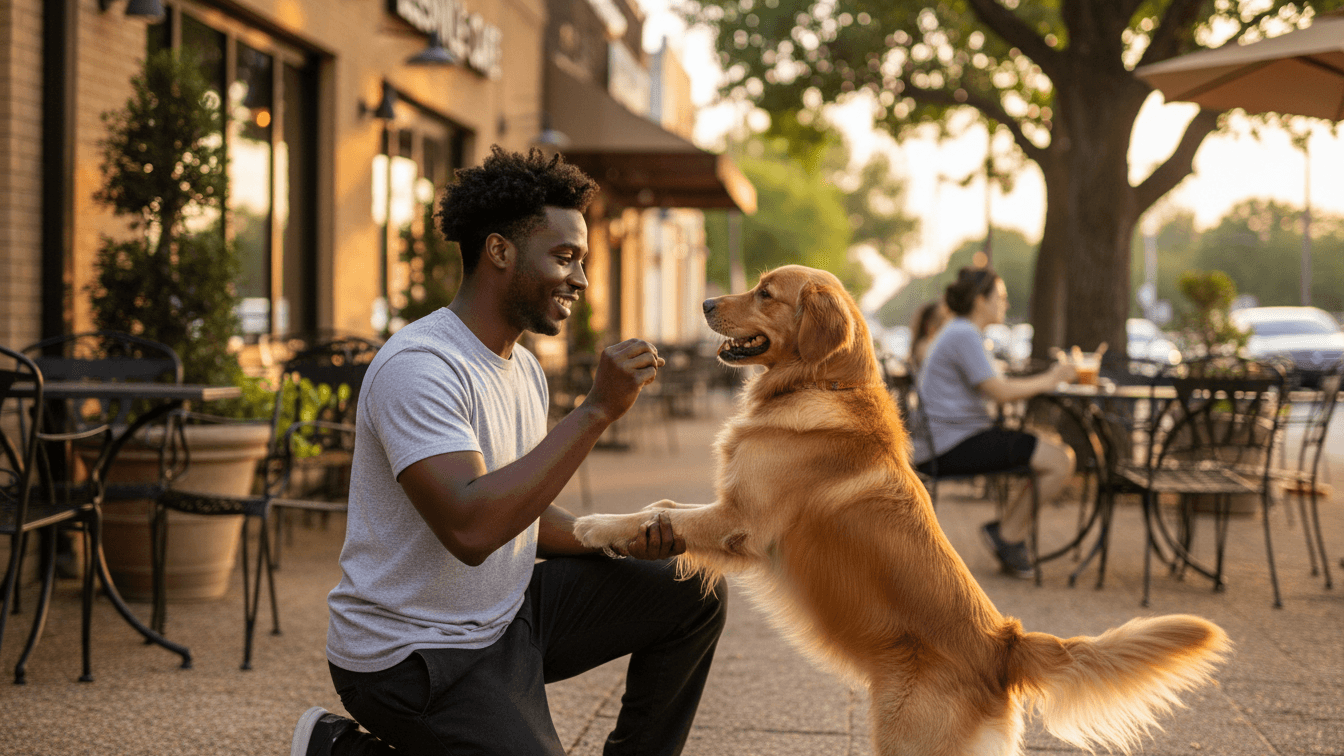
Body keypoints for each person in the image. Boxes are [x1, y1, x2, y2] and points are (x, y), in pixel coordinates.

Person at [291, 147, 727, 756]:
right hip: (414, 653)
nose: (581, 279)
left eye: (582, 260)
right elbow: (472, 529)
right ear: (499, 251)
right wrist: (595, 411)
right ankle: (341, 750)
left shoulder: (522, 367)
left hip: (505, 617)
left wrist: (618, 536)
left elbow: (519, 513)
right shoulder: (421, 366)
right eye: (564, 257)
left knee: (693, 587)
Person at [910, 267, 1076, 579]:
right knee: (1059, 460)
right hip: (950, 445)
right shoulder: (963, 333)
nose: (1006, 303)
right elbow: (1000, 392)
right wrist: (1052, 378)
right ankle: (1008, 536)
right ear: (980, 301)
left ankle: (1007, 532)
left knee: (1052, 450)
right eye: (1000, 297)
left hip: (952, 438)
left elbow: (994, 387)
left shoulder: (959, 331)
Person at [908, 298, 950, 373]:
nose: (947, 323)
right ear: (929, 324)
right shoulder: (924, 346)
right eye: (942, 319)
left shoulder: (924, 344)